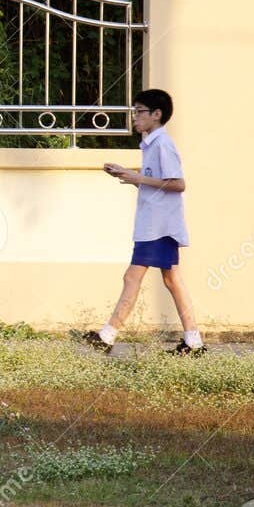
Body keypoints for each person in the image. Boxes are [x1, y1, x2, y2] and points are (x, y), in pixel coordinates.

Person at [81, 88, 204, 357]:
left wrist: (138, 179)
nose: (135, 116)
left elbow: (178, 184)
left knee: (133, 276)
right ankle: (194, 341)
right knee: (171, 280)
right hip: (154, 224)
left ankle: (107, 336)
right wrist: (128, 174)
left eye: (140, 111)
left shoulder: (163, 144)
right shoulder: (152, 144)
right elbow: (157, 184)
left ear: (157, 115)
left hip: (159, 226)